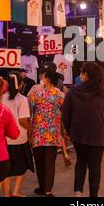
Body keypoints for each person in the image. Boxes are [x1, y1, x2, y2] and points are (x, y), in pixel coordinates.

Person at [62, 62, 104, 197]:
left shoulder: (73, 91)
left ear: (85, 75)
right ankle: (93, 195)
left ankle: (78, 191)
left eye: (82, 73)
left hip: (78, 134)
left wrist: (70, 131)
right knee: (95, 166)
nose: (80, 75)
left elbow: (65, 115)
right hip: (99, 135)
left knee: (81, 161)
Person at [28, 68, 65, 197]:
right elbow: (64, 112)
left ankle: (42, 187)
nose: (42, 80)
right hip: (53, 133)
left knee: (39, 163)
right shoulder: (60, 95)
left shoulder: (37, 94)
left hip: (38, 133)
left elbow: (30, 111)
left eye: (43, 77)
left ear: (47, 79)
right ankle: (48, 191)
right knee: (50, 163)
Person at [2, 72, 34, 197]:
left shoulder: (1, 97)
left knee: (6, 168)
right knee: (21, 166)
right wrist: (31, 129)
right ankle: (16, 191)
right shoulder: (22, 99)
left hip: (4, 138)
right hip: (20, 137)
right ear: (20, 84)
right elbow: (23, 120)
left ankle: (7, 193)